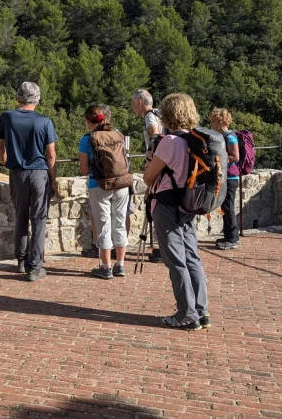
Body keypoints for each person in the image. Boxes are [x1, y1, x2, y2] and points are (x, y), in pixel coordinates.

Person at [143, 93, 210, 330]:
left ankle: (186, 314)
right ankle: (201, 311)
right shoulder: (195, 140)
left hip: (167, 204)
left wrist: (149, 162)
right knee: (191, 256)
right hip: (188, 202)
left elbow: (149, 177)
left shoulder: (170, 142)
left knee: (175, 259)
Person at [0, 81, 58, 282]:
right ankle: (35, 267)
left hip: (17, 173)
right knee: (39, 220)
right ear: (37, 100)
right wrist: (53, 180)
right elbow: (51, 155)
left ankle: (21, 260)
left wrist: (5, 161)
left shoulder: (7, 117)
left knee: (21, 216)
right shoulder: (44, 121)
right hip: (39, 174)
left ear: (18, 98)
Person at [78, 104, 128, 279]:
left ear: (88, 121)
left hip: (98, 184)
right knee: (120, 223)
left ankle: (106, 267)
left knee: (103, 226)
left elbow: (84, 170)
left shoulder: (87, 139)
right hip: (121, 183)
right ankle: (120, 265)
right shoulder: (118, 134)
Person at [131, 89, 163, 263]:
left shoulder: (149, 116)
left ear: (140, 103)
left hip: (158, 165)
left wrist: (151, 159)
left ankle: (160, 249)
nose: (132, 107)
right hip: (167, 163)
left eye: (133, 103)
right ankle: (162, 247)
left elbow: (155, 134)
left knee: (156, 204)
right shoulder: (159, 113)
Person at [209, 108, 240, 250]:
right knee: (225, 207)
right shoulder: (223, 136)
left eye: (213, 122)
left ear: (221, 122)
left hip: (231, 177)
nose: (211, 125)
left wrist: (219, 159)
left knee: (228, 207)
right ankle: (228, 236)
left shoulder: (230, 137)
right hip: (226, 176)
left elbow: (235, 156)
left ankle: (233, 239)